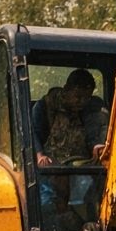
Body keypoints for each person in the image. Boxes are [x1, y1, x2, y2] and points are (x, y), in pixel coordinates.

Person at [33, 68, 109, 220]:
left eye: (86, 97)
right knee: (46, 203)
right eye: (78, 96)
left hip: (80, 166)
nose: (81, 102)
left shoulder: (91, 109)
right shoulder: (45, 106)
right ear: (66, 89)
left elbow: (95, 129)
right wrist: (39, 154)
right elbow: (33, 132)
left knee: (93, 195)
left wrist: (97, 145)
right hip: (51, 165)